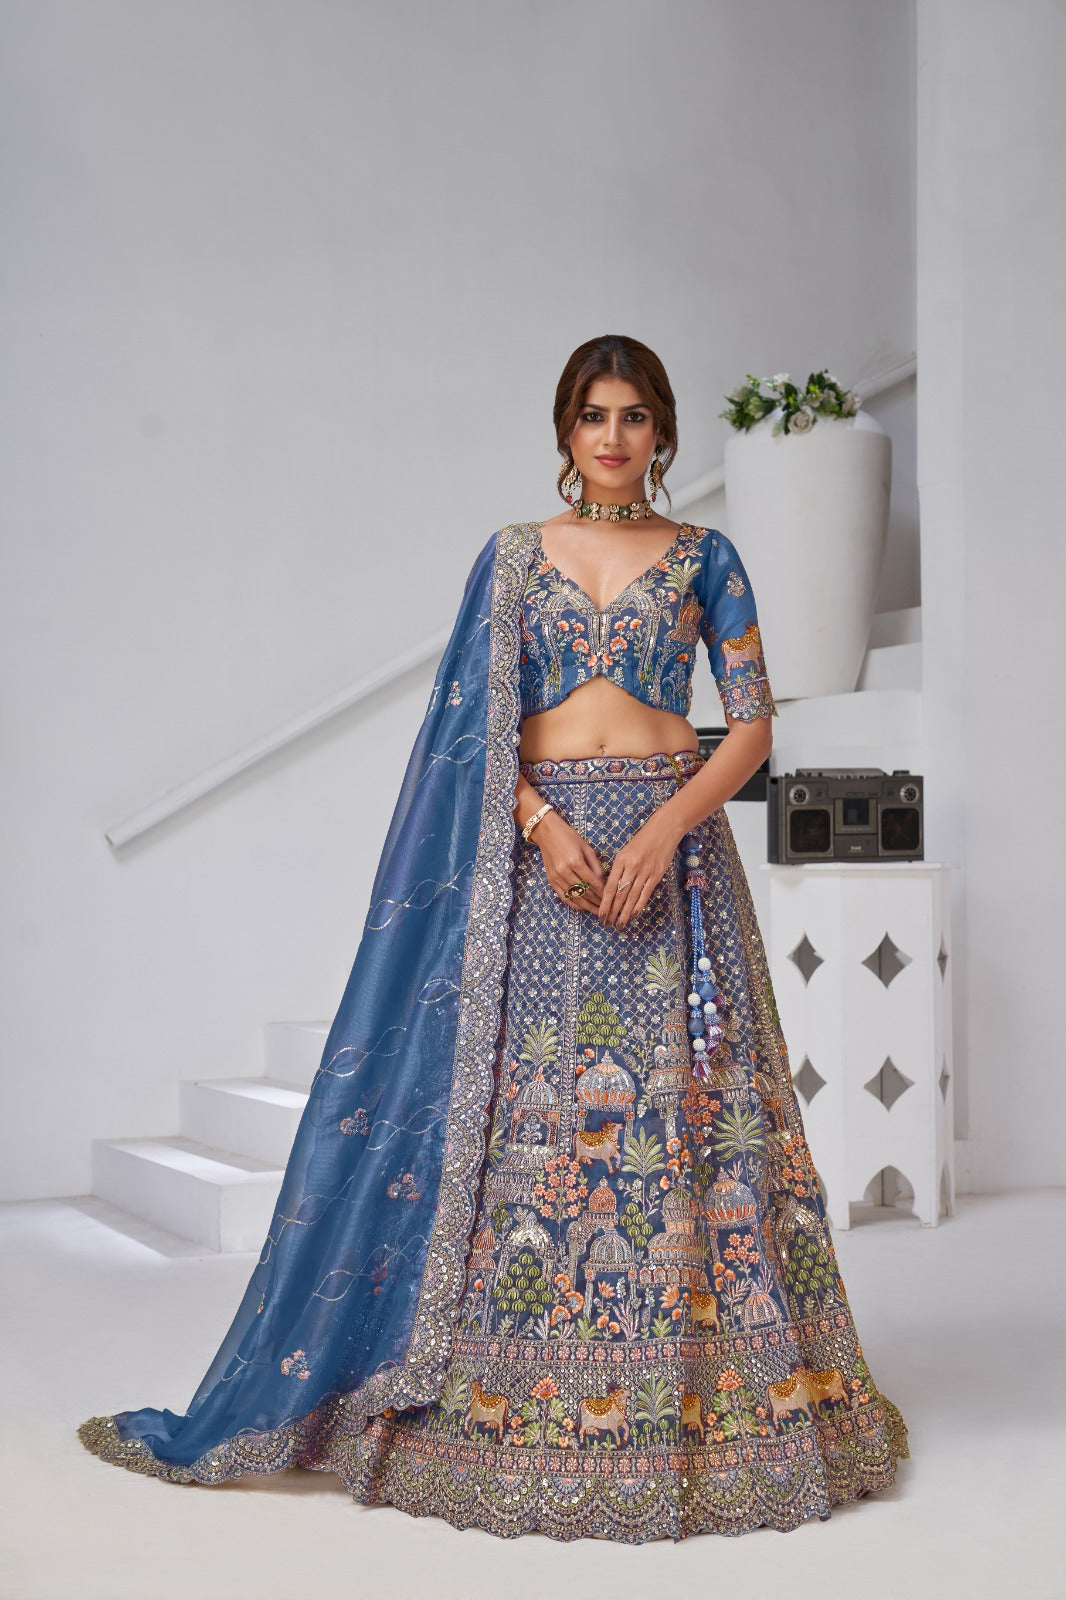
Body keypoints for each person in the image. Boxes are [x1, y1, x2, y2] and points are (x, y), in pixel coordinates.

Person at [78, 333, 909, 1542]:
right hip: (541, 862)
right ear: (566, 429)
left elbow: (749, 726)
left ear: (663, 432)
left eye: (634, 416)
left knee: (688, 1115)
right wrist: (540, 823)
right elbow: (473, 726)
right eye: (594, 415)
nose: (614, 437)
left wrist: (665, 830)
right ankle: (503, 1387)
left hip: (671, 857)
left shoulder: (705, 556)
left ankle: (708, 1389)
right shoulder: (515, 557)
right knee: (531, 1118)